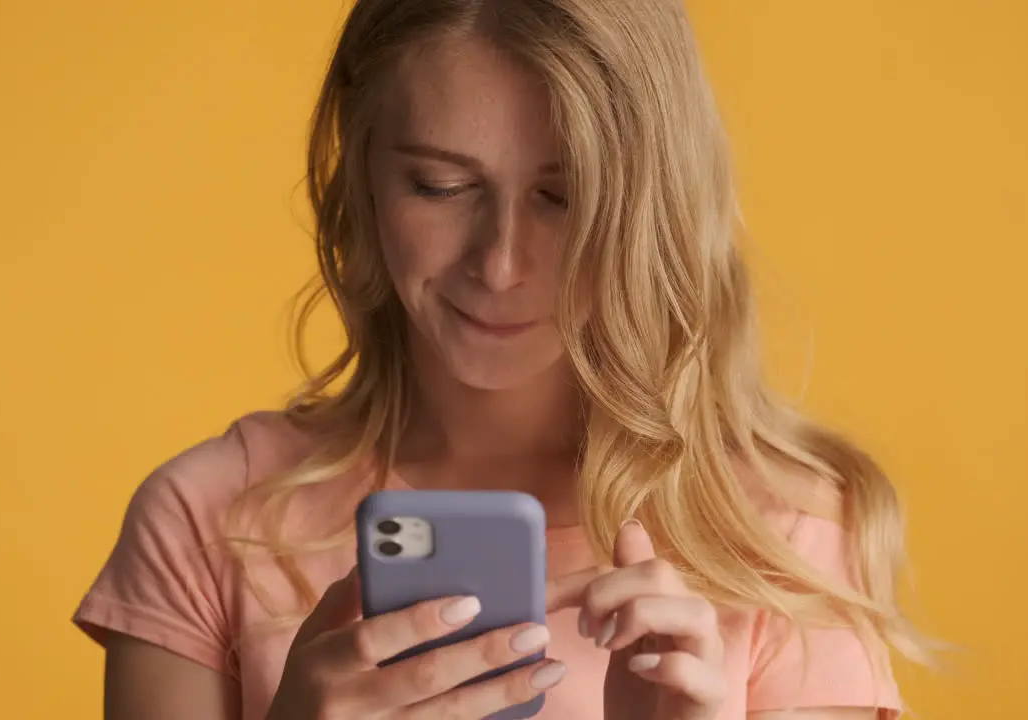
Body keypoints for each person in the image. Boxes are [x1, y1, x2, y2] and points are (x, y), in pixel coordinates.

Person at [73, 1, 929, 718]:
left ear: (652, 207)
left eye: (565, 198)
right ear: (360, 176)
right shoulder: (207, 520)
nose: (501, 264)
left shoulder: (777, 535)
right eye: (440, 187)